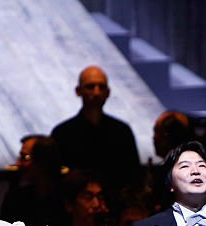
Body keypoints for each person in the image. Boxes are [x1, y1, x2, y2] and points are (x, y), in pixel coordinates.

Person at [50, 66, 141, 198]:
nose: (97, 92)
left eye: (101, 87)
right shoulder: (62, 133)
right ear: (78, 91)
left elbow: (134, 176)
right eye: (90, 87)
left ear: (108, 92)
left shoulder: (122, 132)